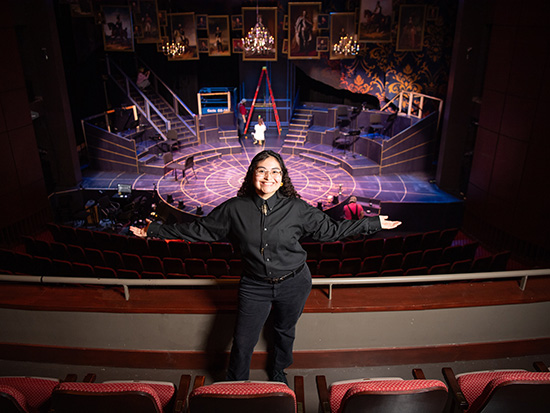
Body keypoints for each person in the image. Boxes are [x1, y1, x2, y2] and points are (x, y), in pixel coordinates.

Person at [129, 150, 401, 383]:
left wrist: (372, 223)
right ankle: (236, 383)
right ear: (251, 175)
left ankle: (279, 370)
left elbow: (330, 230)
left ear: (282, 177)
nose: (268, 177)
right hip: (254, 285)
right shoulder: (233, 209)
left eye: (275, 171)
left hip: (295, 282)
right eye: (262, 171)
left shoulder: (297, 208)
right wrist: (154, 230)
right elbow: (200, 230)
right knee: (243, 340)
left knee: (284, 331)